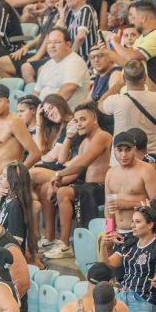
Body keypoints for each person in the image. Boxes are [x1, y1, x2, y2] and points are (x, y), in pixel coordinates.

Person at [41, 104, 112, 258]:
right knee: (48, 187)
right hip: (87, 186)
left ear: (94, 119)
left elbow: (83, 163)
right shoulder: (85, 141)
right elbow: (75, 169)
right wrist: (57, 181)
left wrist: (58, 175)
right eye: (76, 120)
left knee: (64, 192)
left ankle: (65, 245)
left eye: (83, 119)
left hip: (101, 187)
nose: (79, 123)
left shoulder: (102, 136)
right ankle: (50, 238)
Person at [101, 206, 156, 312]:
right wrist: (103, 246)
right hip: (122, 297)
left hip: (144, 302)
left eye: (138, 222)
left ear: (150, 225)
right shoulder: (130, 243)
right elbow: (107, 265)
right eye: (132, 221)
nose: (132, 225)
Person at [100, 60, 156, 155]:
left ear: (124, 79)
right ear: (145, 77)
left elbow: (100, 104)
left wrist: (118, 85)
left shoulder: (116, 101)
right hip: (150, 158)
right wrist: (149, 82)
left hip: (121, 158)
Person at [105, 129, 156, 235]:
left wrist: (126, 205)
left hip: (143, 233)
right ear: (114, 151)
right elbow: (108, 207)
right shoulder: (110, 173)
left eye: (128, 150)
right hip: (119, 232)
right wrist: (110, 231)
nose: (123, 155)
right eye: (119, 150)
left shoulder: (146, 170)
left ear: (134, 149)